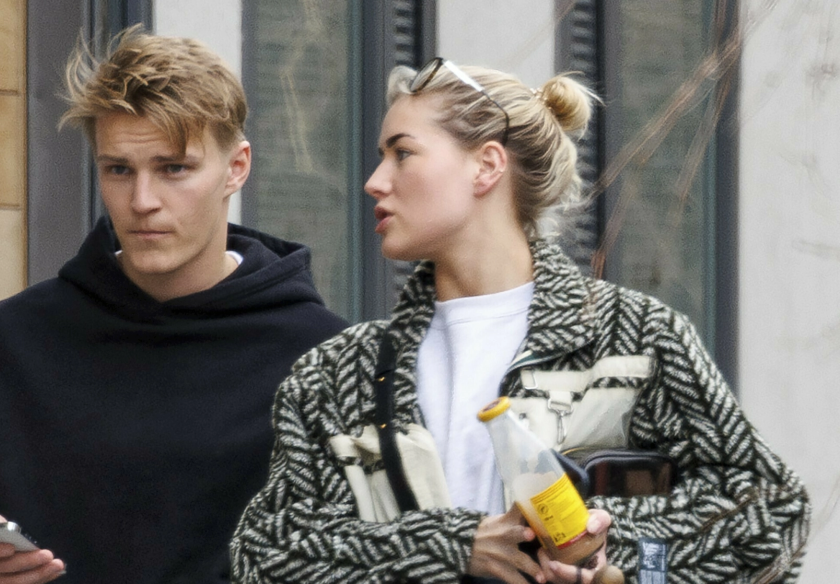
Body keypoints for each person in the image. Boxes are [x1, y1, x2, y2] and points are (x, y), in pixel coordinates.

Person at [231, 58, 810, 583]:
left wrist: (613, 552)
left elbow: (770, 513)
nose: (375, 181)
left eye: (402, 153)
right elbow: (263, 553)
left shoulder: (637, 339)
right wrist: (451, 546)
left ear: (486, 166)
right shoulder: (335, 374)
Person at [0, 27, 347, 584]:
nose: (142, 201)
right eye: (119, 169)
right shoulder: (6, 343)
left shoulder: (323, 359)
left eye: (173, 168)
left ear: (236, 167)